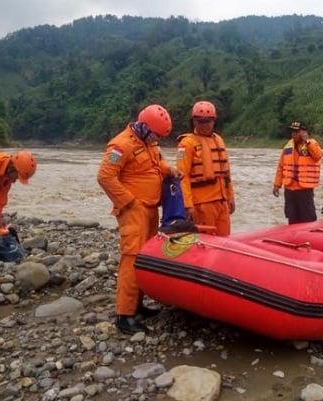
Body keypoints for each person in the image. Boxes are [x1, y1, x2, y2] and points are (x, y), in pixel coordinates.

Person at [97, 104, 181, 335]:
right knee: (131, 259)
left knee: (144, 257)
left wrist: (170, 170)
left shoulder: (149, 142)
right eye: (155, 134)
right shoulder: (121, 145)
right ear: (143, 126)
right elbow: (105, 176)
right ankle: (125, 315)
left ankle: (137, 305)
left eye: (159, 136)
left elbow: (156, 164)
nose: (157, 138)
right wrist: (129, 203)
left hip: (151, 209)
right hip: (134, 210)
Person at [176, 100, 235, 236]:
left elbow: (226, 174)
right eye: (201, 121)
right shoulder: (187, 144)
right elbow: (182, 176)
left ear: (214, 121)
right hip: (201, 203)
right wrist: (188, 205)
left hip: (221, 201)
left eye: (208, 121)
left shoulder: (218, 140)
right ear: (194, 122)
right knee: (205, 242)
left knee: (224, 240)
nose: (205, 125)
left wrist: (230, 196)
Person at [272, 121, 323, 224]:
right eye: (292, 132)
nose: (294, 134)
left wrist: (307, 140)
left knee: (308, 218)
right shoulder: (288, 146)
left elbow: (318, 155)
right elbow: (281, 167)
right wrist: (277, 184)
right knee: (292, 218)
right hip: (289, 190)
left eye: (297, 131)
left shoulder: (311, 144)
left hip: (304, 190)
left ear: (304, 132)